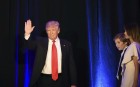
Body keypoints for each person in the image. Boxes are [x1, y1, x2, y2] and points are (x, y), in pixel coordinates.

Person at [24, 19, 77, 87]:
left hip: (62, 80)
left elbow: (71, 65)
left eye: (53, 30)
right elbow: (30, 46)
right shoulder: (40, 42)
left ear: (58, 30)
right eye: (48, 30)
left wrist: (73, 83)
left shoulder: (66, 44)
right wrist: (27, 34)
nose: (51, 32)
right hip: (44, 80)